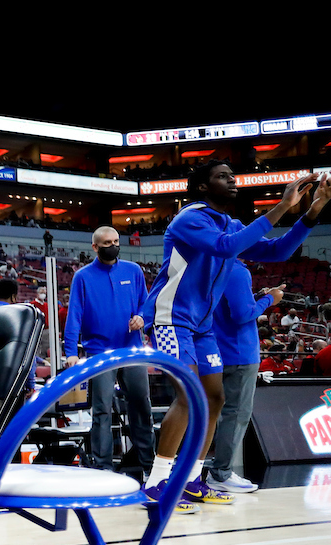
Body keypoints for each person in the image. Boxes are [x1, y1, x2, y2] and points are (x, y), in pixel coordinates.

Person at [140, 161, 330, 512]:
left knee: (215, 399)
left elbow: (278, 251)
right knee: (188, 396)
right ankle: (156, 481)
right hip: (171, 320)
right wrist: (283, 205)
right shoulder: (189, 218)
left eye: (232, 175)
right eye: (223, 176)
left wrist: (313, 211)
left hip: (202, 326)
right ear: (202, 187)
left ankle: (193, 478)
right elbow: (228, 247)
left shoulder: (231, 224)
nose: (233, 180)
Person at [62, 226, 154, 473]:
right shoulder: (82, 276)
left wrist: (143, 318)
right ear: (95, 247)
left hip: (132, 350)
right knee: (101, 410)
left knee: (141, 407)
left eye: (116, 241)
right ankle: (103, 468)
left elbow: (146, 305)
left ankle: (149, 465)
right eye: (106, 243)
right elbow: (74, 317)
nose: (113, 245)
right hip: (99, 352)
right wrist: (70, 352)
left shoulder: (133, 271)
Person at [208, 265, 286, 493]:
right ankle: (221, 474)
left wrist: (259, 297)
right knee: (236, 413)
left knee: (209, 412)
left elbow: (228, 304)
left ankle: (193, 472)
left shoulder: (208, 266)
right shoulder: (237, 270)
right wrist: (269, 300)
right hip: (239, 352)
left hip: (213, 350)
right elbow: (242, 314)